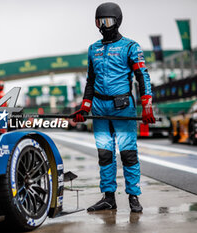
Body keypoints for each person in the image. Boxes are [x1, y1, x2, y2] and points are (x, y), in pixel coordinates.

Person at [73, 2, 155, 213]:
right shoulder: (93, 49)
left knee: (128, 153)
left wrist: (147, 105)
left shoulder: (131, 46)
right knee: (105, 154)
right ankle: (108, 197)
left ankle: (134, 196)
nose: (103, 25)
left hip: (123, 107)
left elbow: (142, 76)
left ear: (117, 21)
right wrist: (84, 108)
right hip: (99, 108)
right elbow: (90, 81)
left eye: (107, 21)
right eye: (99, 21)